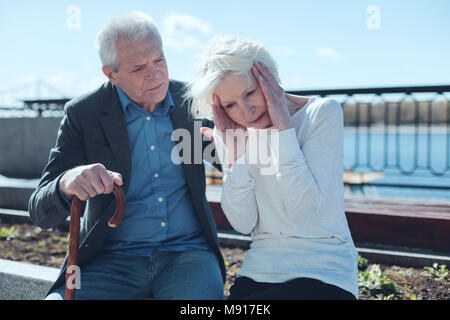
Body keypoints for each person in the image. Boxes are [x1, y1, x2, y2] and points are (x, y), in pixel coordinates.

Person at [28, 12, 225, 300]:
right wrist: (66, 182)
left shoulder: (191, 102)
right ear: (111, 74)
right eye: (138, 68)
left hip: (189, 257)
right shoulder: (84, 114)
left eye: (159, 60)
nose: (155, 73)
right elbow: (38, 210)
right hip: (109, 262)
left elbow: (237, 159)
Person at [186, 35, 358, 300]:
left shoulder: (322, 113)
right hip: (261, 270)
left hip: (325, 269)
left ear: (271, 78)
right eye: (230, 104)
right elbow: (243, 223)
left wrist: (283, 129)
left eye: (250, 93)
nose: (246, 111)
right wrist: (235, 156)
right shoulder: (231, 131)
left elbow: (303, 208)